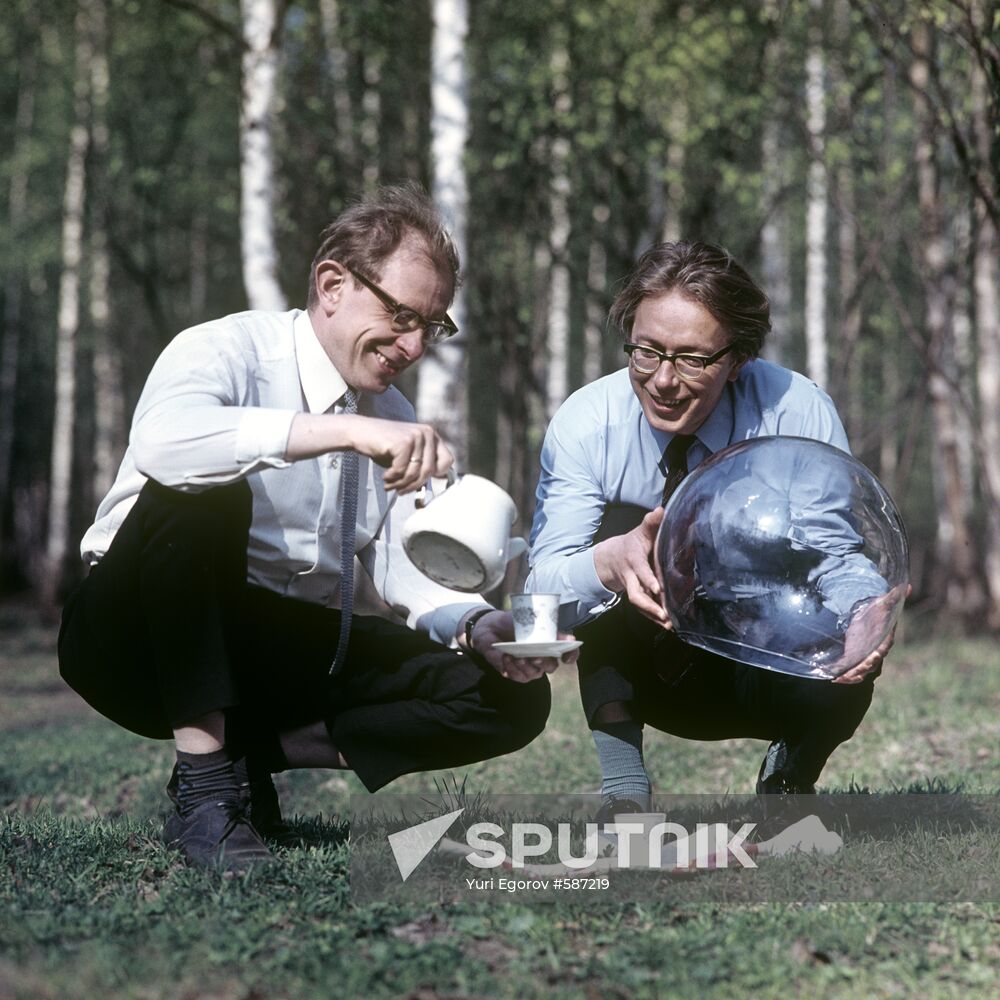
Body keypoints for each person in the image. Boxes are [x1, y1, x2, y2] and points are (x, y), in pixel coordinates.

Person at [59, 184, 570, 872]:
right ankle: (208, 793)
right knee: (203, 492)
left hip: (268, 645)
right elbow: (164, 448)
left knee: (509, 701)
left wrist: (474, 625)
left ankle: (238, 755)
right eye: (403, 315)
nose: (415, 344)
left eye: (434, 325)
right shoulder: (224, 348)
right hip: (132, 637)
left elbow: (394, 561)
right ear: (333, 284)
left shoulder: (384, 404)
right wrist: (345, 429)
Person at [525, 240, 899, 817]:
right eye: (646, 352)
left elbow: (832, 553)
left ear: (739, 359)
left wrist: (865, 612)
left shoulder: (797, 411)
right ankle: (624, 793)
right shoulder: (586, 423)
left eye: (694, 360)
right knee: (624, 537)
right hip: (651, 668)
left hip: (765, 657)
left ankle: (787, 784)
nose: (663, 381)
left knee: (849, 613)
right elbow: (540, 595)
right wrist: (609, 562)